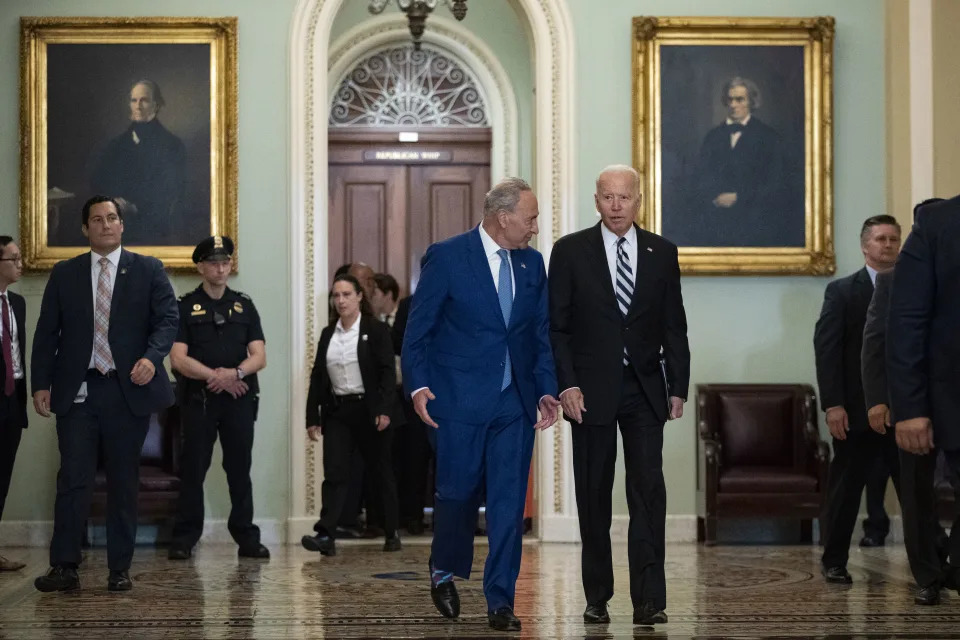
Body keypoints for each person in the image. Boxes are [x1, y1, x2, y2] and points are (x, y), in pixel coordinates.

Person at [402, 177, 560, 632]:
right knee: (457, 494)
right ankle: (444, 569)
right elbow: (419, 330)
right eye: (529, 218)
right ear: (502, 217)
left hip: (515, 402)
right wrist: (417, 387)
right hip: (458, 398)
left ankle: (501, 600)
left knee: (509, 504)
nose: (534, 227)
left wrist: (547, 388)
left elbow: (539, 335)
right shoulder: (449, 256)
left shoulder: (532, 264)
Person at [548, 165, 690, 627]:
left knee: (648, 491)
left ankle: (650, 600)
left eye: (624, 197)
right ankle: (598, 596)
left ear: (638, 200)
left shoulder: (662, 252)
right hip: (588, 393)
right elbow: (558, 327)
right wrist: (566, 384)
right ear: (596, 200)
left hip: (646, 390)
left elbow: (674, 325)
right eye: (607, 197)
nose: (615, 206)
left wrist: (678, 387)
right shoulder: (569, 251)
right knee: (594, 494)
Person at [32, 195, 178, 592]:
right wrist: (40, 383)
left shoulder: (147, 269)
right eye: (97, 219)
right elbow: (47, 332)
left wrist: (152, 357)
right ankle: (64, 566)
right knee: (73, 480)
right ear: (85, 229)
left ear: (122, 225)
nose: (106, 224)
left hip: (126, 389)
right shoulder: (66, 273)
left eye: (112, 218)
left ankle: (119, 569)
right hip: (78, 392)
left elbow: (168, 319)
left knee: (122, 481)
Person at [861, 200, 950, 605]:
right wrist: (879, 400)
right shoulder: (893, 282)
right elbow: (876, 344)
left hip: (952, 399)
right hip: (910, 402)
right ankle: (928, 576)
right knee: (916, 494)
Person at [167, 235, 269, 561]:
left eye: (225, 262)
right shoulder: (184, 307)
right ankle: (185, 538)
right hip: (200, 401)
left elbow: (259, 356)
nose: (221, 268)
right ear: (200, 266)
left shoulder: (244, 305)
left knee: (239, 469)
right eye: (214, 262)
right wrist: (216, 377)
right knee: (194, 469)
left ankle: (247, 538)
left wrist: (235, 375)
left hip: (239, 400)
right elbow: (178, 359)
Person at [815, 214, 903, 584]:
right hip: (854, 411)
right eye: (881, 239)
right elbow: (828, 349)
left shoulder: (912, 289)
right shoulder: (842, 291)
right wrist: (833, 405)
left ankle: (932, 564)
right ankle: (834, 560)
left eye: (894, 239)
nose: (887, 245)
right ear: (865, 246)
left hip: (903, 412)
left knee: (915, 494)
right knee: (846, 491)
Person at [888, 196, 960, 602]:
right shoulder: (938, 225)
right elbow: (902, 327)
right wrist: (906, 407)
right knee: (919, 494)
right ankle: (933, 574)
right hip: (939, 399)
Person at [301, 273, 401, 555]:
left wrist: (383, 410)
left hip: (370, 411)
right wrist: (312, 416)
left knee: (380, 471)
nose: (341, 300)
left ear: (359, 297)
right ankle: (326, 535)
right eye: (336, 295)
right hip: (338, 411)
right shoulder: (327, 333)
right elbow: (318, 375)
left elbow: (386, 374)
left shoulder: (375, 329)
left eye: (346, 294)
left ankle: (391, 531)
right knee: (334, 471)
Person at [692, 76, 793, 247]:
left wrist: (739, 197)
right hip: (715, 225)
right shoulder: (713, 137)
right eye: (730, 99)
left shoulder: (768, 137)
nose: (733, 105)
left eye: (739, 99)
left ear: (751, 102)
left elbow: (776, 183)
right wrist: (714, 199)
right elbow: (700, 178)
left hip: (754, 223)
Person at [90, 79, 186, 245]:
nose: (138, 106)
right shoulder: (115, 145)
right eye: (134, 100)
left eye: (144, 100)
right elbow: (98, 179)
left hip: (154, 227)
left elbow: (172, 190)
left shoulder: (172, 145)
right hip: (115, 224)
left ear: (156, 105)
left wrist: (136, 207)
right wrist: (114, 200)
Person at [373, 273, 427, 534]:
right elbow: (400, 344)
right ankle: (410, 517)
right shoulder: (409, 305)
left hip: (448, 391)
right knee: (410, 457)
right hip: (409, 394)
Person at [0, 237, 28, 572]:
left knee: (3, 476)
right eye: (14, 259)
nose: (20, 265)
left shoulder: (17, 303)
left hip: (13, 397)